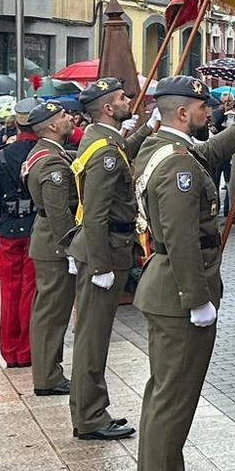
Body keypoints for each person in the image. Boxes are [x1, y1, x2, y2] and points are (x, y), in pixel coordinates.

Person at [131, 76, 235, 471]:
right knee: (173, 400)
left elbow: (211, 153)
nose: (210, 112)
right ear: (183, 113)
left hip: (166, 288)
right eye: (203, 107)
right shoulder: (177, 166)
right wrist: (197, 299)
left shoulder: (165, 148)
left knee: (164, 396)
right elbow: (183, 238)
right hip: (179, 292)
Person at [69, 78, 148, 441]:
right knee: (93, 338)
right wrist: (100, 266)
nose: (127, 100)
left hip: (107, 246)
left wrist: (147, 128)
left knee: (94, 335)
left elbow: (121, 153)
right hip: (104, 249)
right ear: (106, 108)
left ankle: (93, 408)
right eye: (121, 98)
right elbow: (97, 212)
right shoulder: (104, 150)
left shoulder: (105, 139)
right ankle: (89, 416)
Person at [21, 98, 81, 398]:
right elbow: (58, 212)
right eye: (64, 116)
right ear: (53, 125)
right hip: (54, 245)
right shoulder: (51, 162)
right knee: (51, 313)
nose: (70, 119)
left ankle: (49, 372)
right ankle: (47, 377)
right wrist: (70, 246)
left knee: (50, 311)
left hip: (47, 242)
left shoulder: (47, 153)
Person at [0, 117, 42, 368]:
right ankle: (27, 350)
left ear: (17, 126)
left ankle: (10, 351)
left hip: (8, 227)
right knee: (31, 291)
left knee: (9, 292)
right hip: (35, 227)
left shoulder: (2, 155)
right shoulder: (42, 153)